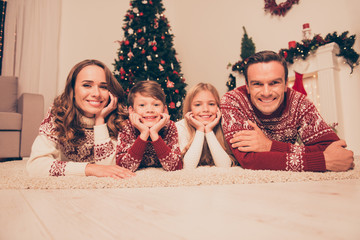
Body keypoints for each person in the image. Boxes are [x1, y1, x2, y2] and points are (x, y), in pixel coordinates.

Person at [220, 50, 354, 172]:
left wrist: (270, 146)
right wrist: (321, 161)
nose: (266, 92)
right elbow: (249, 160)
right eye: (257, 84)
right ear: (248, 86)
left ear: (285, 84)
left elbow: (335, 149)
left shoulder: (300, 102)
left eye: (274, 83)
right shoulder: (233, 101)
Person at [27, 59, 135, 179]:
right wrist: (89, 169)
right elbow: (35, 166)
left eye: (103, 87)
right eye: (87, 85)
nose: (96, 93)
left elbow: (109, 168)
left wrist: (100, 121)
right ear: (72, 90)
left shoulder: (119, 118)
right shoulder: (58, 113)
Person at [115, 80, 183, 172]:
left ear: (165, 109)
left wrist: (154, 133)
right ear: (132, 111)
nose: (149, 110)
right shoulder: (127, 127)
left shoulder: (169, 126)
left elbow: (175, 167)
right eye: (142, 105)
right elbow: (124, 168)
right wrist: (144, 133)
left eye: (156, 105)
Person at [176, 83, 234, 169]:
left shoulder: (225, 125)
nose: (205, 109)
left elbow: (225, 166)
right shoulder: (180, 127)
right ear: (189, 108)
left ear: (218, 107)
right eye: (198, 105)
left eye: (211, 104)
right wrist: (200, 129)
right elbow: (188, 167)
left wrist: (209, 130)